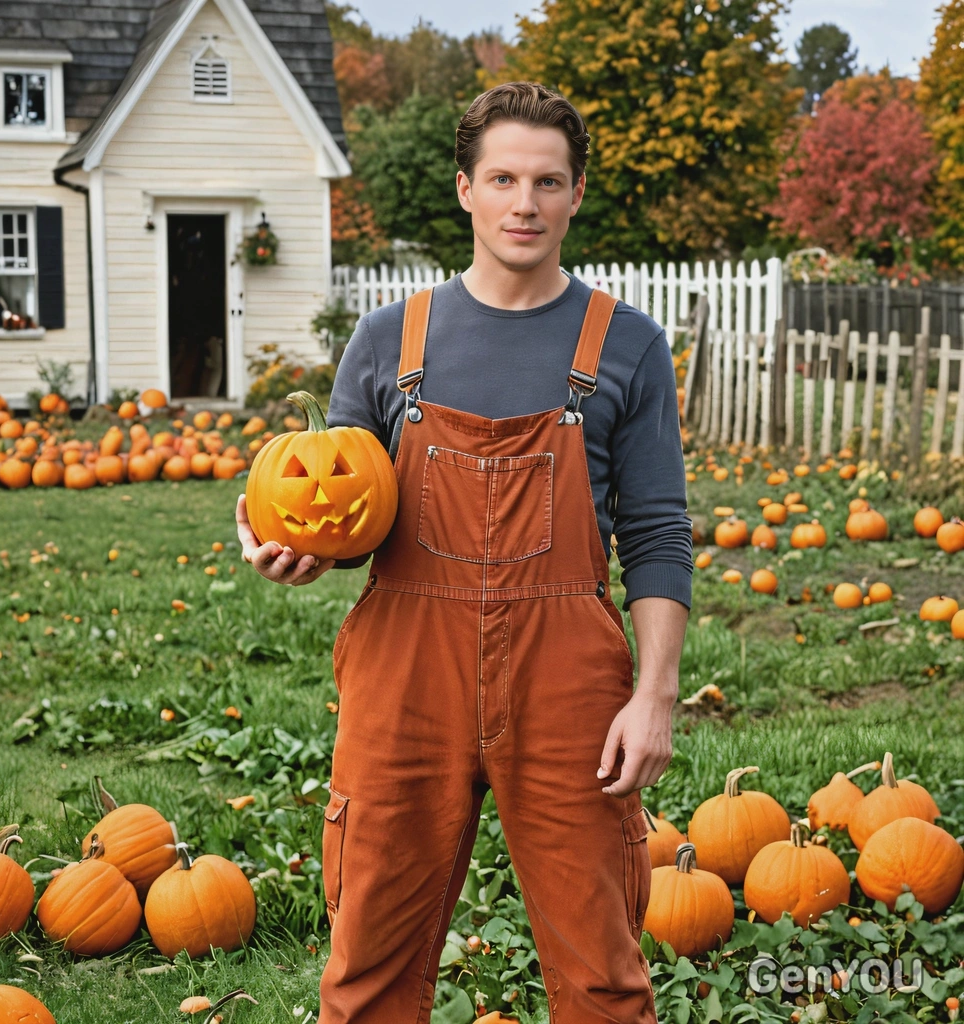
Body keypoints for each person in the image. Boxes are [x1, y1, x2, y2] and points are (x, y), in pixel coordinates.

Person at [236, 81, 692, 1024]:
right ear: (465, 189)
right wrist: (295, 552)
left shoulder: (628, 345)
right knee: (367, 968)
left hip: (567, 681)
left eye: (548, 181)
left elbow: (656, 532)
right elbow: (345, 510)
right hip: (406, 679)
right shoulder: (386, 342)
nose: (525, 203)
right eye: (504, 179)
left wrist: (654, 696)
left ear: (575, 195)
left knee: (603, 977)